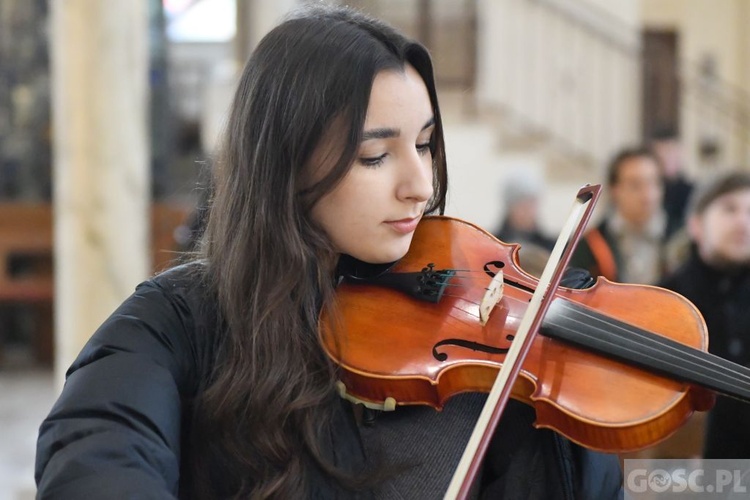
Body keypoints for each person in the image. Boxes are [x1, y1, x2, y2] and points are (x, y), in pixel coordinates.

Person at [35, 5, 623, 499]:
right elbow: (99, 451)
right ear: (285, 163)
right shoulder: (176, 323)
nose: (419, 184)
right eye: (375, 156)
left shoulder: (477, 316)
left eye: (424, 145)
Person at [659, 171, 750, 459]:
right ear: (696, 225)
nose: (742, 222)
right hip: (693, 473)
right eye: (729, 209)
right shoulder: (665, 298)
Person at [570, 147, 668, 285]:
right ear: (614, 190)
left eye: (654, 182)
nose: (648, 195)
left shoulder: (679, 237)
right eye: (636, 185)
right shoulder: (589, 246)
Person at [650, 128, 694, 238]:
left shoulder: (694, 192)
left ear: (680, 151)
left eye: (669, 151)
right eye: (659, 154)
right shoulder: (647, 192)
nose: (665, 159)